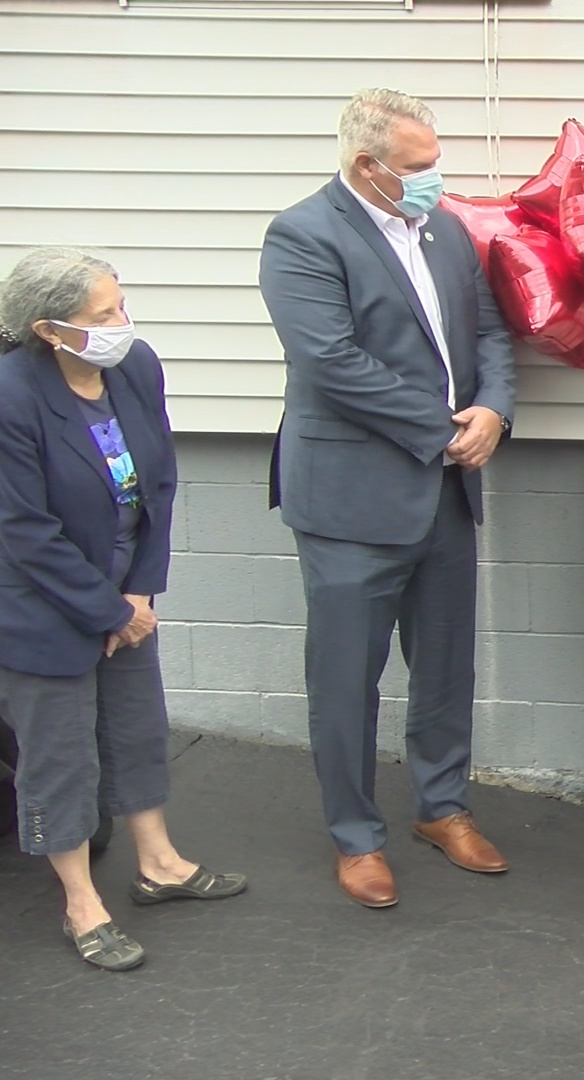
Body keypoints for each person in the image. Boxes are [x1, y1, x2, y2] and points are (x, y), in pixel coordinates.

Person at [258, 89, 517, 908]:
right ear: (368, 167)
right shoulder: (302, 235)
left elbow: (487, 333)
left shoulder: (443, 231)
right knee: (346, 679)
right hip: (350, 499)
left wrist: (495, 410)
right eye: (419, 166)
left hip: (445, 492)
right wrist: (444, 429)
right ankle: (356, 836)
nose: (436, 177)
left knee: (445, 666)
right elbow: (330, 362)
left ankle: (442, 808)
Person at [0, 249, 246, 971]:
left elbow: (159, 486)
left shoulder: (135, 369)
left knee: (137, 729)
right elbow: (22, 530)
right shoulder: (11, 396)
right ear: (50, 330)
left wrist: (139, 592)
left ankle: (158, 863)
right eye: (103, 315)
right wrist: (107, 612)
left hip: (123, 592)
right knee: (60, 756)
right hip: (41, 604)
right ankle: (81, 902)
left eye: (121, 304)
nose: (121, 323)